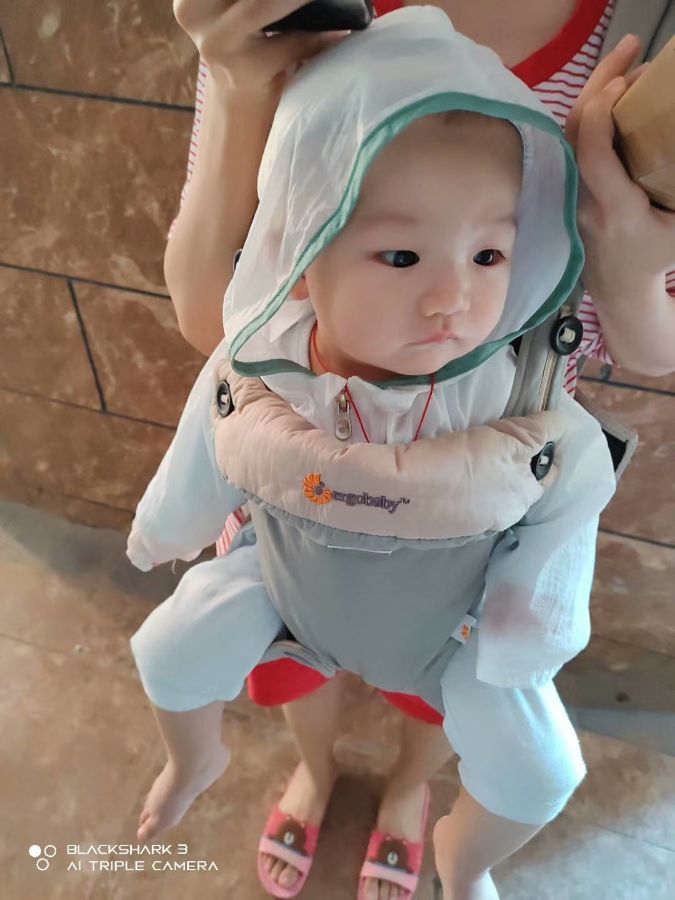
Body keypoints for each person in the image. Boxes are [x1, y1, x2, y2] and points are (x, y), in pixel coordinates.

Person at [163, 2, 675, 899]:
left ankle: (415, 796)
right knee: (276, 650)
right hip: (294, 501)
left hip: (471, 519)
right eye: (400, 257)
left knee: (456, 684)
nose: (448, 303)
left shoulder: (642, 34)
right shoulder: (275, 16)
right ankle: (315, 769)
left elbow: (638, 356)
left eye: (488, 258)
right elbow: (218, 323)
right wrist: (242, 87)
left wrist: (627, 265)